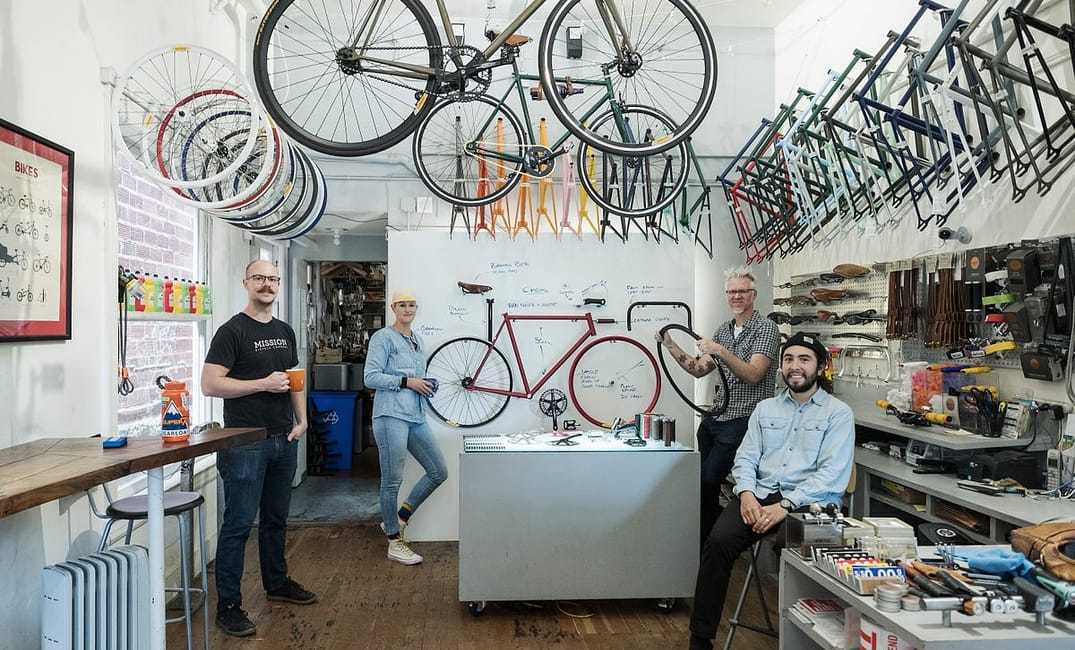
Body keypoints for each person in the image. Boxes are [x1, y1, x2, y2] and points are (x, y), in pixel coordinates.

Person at [687, 332, 855, 650]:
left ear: (820, 367)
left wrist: (786, 506)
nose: (795, 366)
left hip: (812, 502)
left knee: (791, 550)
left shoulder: (838, 413)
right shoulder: (765, 409)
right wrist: (746, 494)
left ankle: (802, 639)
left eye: (804, 359)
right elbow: (746, 458)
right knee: (717, 543)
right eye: (788, 359)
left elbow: (832, 474)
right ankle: (700, 640)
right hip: (760, 495)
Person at [202, 260, 316, 638]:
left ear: (278, 285)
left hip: (284, 439)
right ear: (246, 283)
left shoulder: (284, 331)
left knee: (276, 519)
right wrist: (261, 384)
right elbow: (210, 384)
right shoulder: (231, 331)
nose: (267, 285)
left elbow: (295, 379)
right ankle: (229, 606)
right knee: (238, 524)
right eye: (260, 279)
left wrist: (302, 420)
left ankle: (277, 583)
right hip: (245, 442)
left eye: (272, 279)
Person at [655, 267, 779, 545]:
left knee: (709, 480)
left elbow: (754, 374)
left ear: (753, 294)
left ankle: (718, 540)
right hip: (715, 419)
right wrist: (670, 344)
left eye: (742, 291)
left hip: (744, 420)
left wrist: (721, 350)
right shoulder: (724, 330)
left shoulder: (766, 329)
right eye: (731, 292)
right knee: (700, 483)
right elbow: (698, 369)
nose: (736, 296)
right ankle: (704, 543)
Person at [364, 289, 448, 565]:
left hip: (415, 415)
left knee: (438, 471)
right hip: (390, 415)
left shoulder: (417, 340)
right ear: (393, 308)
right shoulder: (383, 338)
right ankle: (393, 542)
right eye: (402, 305)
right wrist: (407, 382)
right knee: (392, 482)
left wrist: (425, 385)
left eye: (411, 305)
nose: (407, 309)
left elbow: (414, 378)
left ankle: (399, 519)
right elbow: (370, 377)